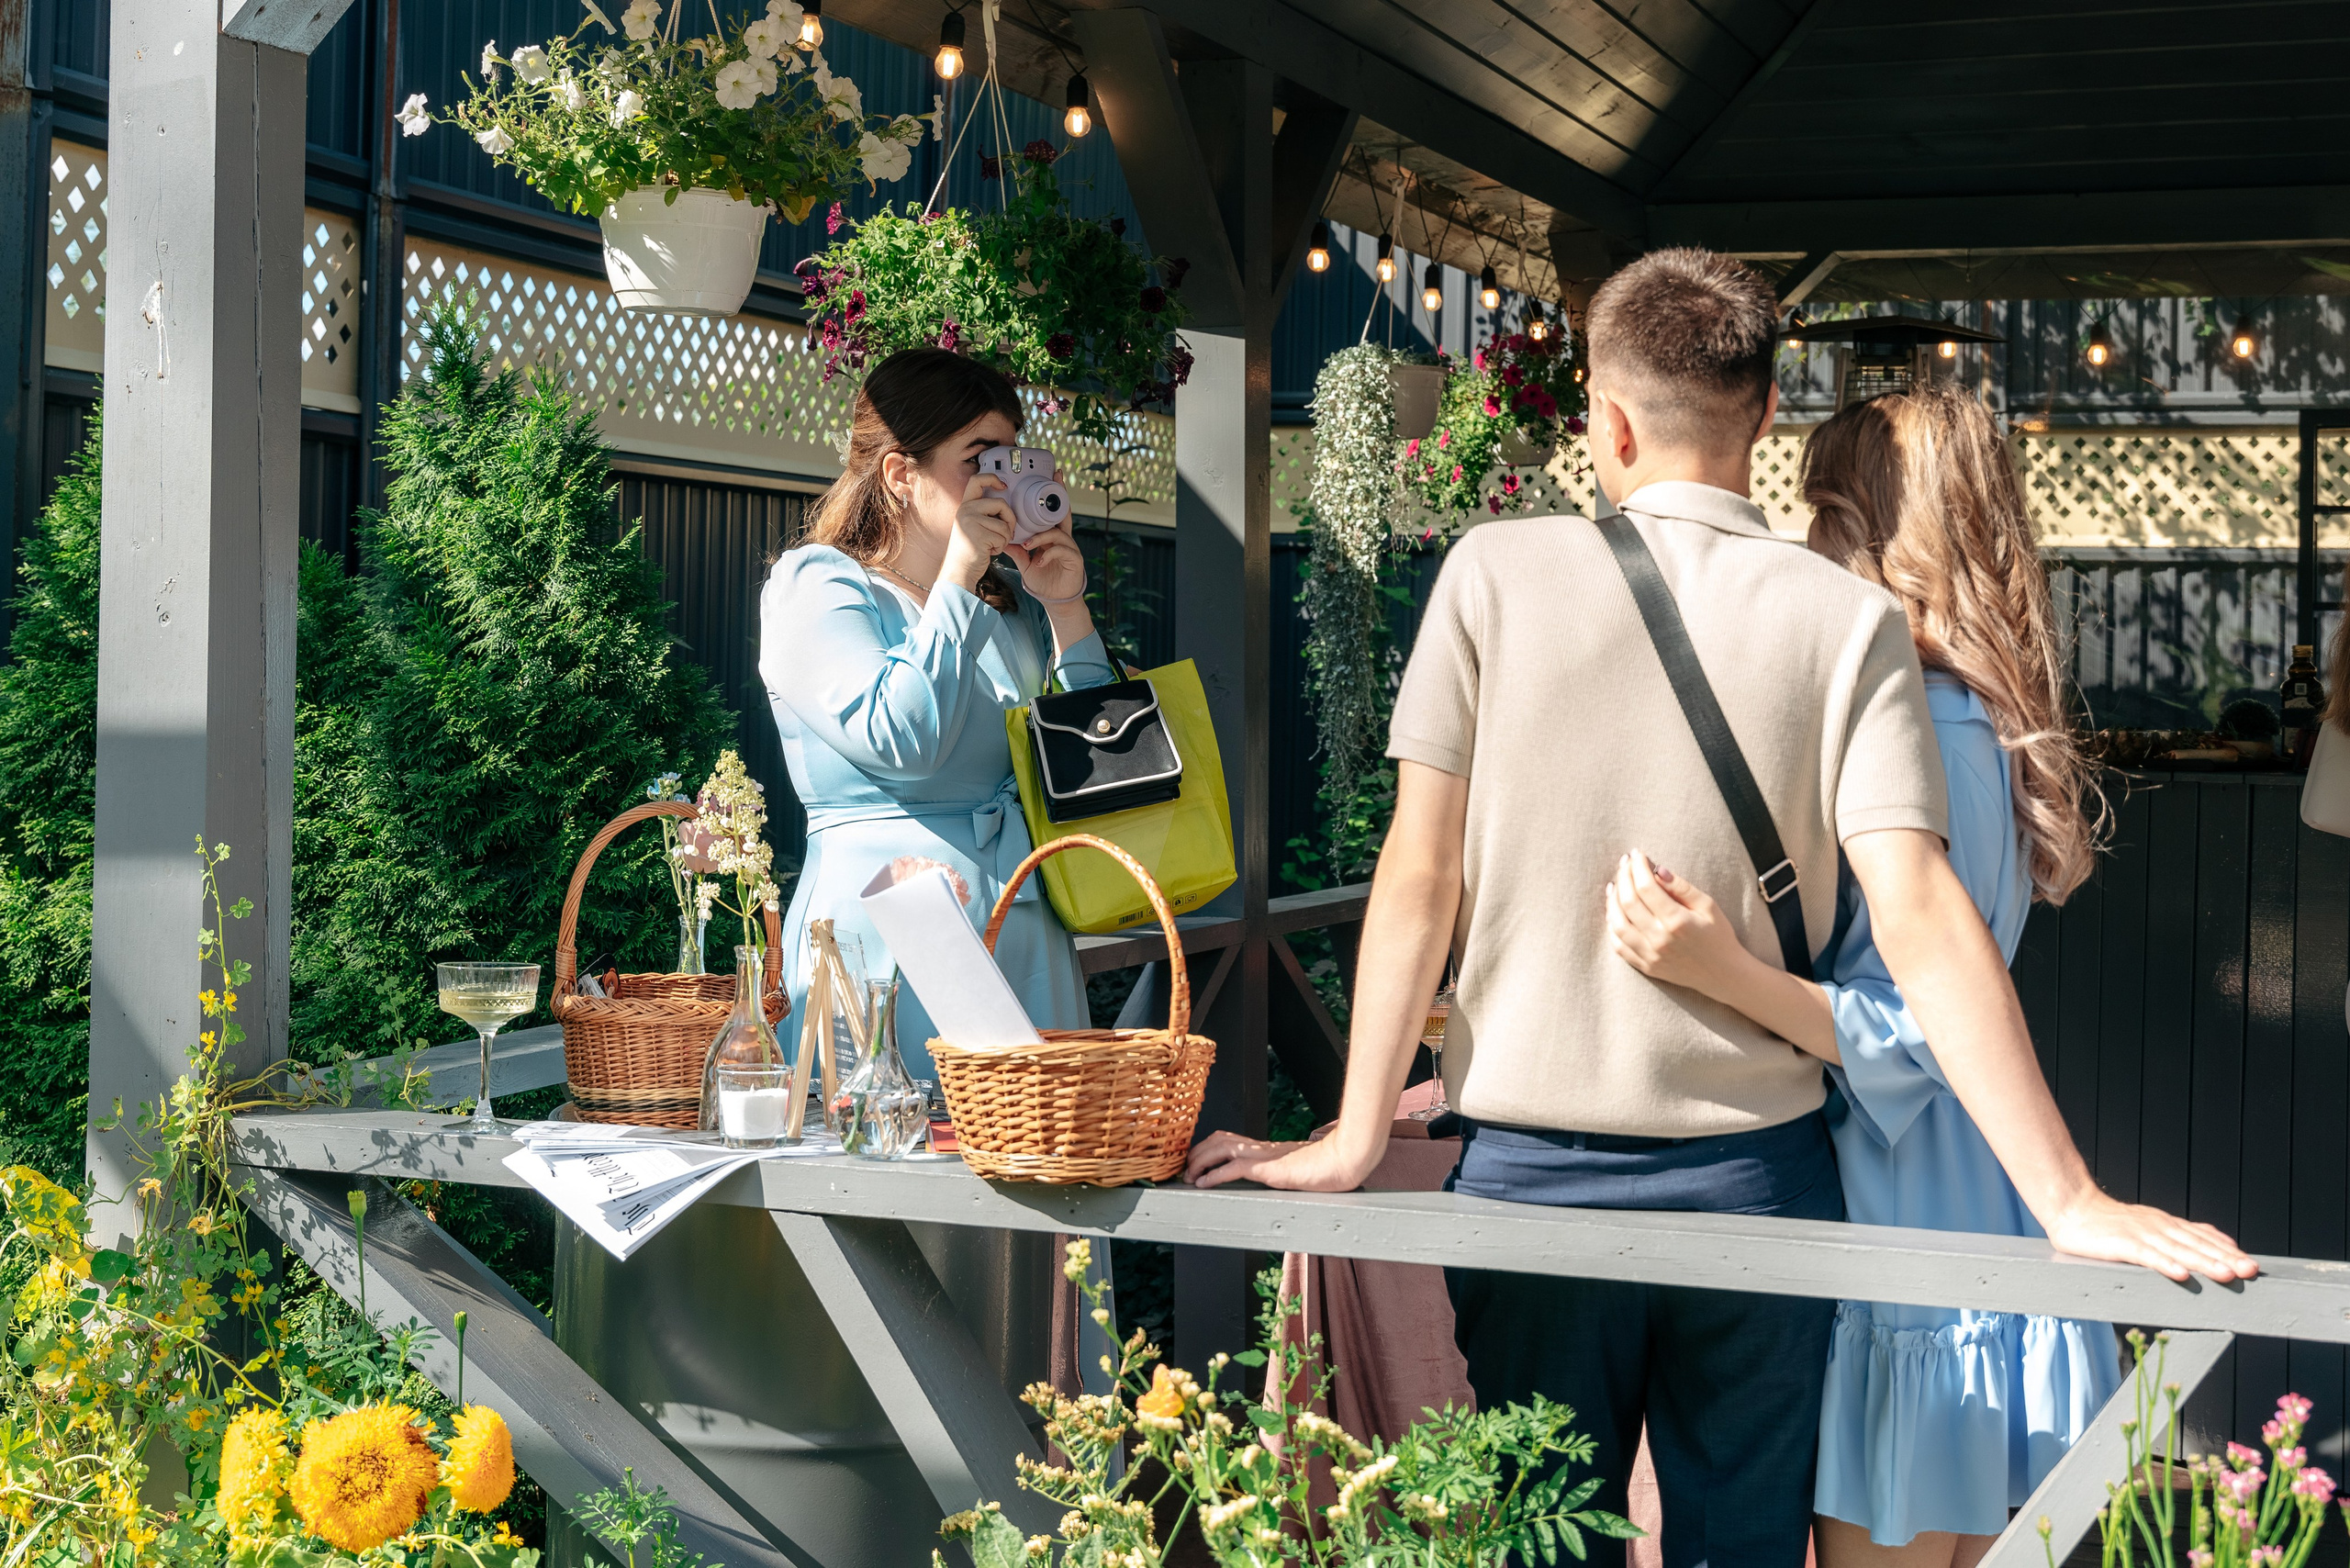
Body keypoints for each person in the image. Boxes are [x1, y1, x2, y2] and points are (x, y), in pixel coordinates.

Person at [1185, 249, 2256, 1568]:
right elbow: (1925, 920)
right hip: (1761, 1188)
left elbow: (1418, 871)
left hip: (1532, 1186)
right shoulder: (1853, 622)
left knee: (1538, 1541)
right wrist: (2071, 1197)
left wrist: (1351, 1140)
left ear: (1607, 418)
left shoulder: (1491, 575)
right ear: (1762, 419)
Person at [1602, 385, 2185, 1567]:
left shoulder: (1928, 728)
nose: (1807, 538)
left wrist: (1722, 971)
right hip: (1947, 1209)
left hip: (1915, 1232)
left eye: (1825, 508)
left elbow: (1919, 1026)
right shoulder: (1954, 714)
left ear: (1888, 534)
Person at [758, 348, 1117, 1072]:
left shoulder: (998, 614)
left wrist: (1065, 607)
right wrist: (959, 574)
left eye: (1013, 460)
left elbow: (1096, 767)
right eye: (979, 460)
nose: (1002, 481)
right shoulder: (818, 585)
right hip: (885, 935)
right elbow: (900, 739)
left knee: (1036, 1151)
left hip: (1022, 927)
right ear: (900, 474)